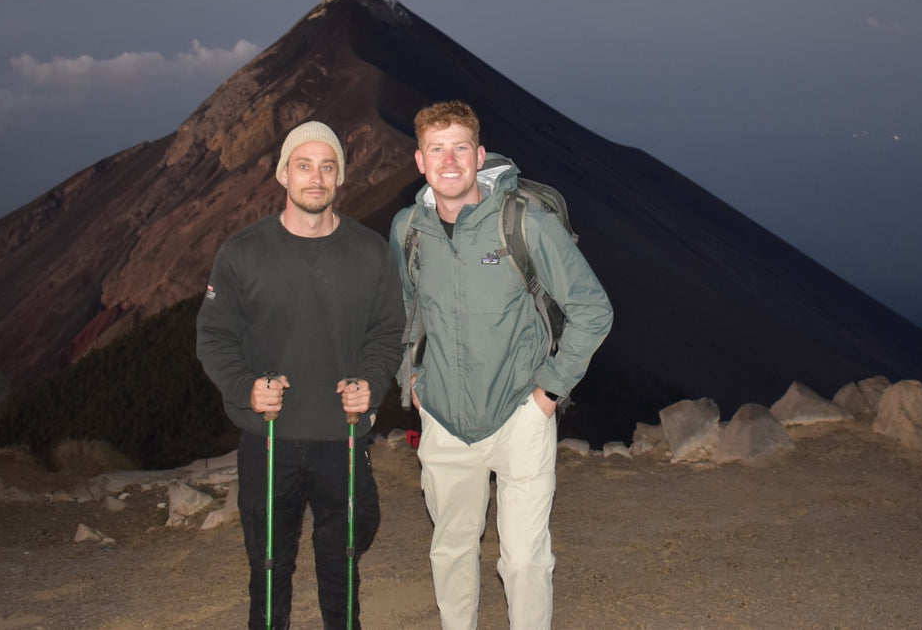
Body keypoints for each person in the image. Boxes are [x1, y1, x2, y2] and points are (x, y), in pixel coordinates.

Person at [390, 100, 613, 630]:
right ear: (419, 161)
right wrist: (412, 380)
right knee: (450, 551)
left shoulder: (523, 223)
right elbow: (407, 308)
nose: (449, 161)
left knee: (524, 560)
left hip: (521, 417)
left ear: (480, 155)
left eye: (460, 148)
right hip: (443, 420)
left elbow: (592, 309)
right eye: (436, 149)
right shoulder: (409, 230)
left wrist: (547, 395)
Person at [197, 120, 405, 630]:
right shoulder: (243, 252)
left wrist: (373, 385)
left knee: (343, 562)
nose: (316, 177)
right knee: (268, 566)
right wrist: (246, 388)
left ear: (340, 177)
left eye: (327, 166)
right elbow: (214, 335)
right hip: (268, 437)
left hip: (343, 434)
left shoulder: (371, 252)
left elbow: (387, 332)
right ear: (282, 174)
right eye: (304, 165)